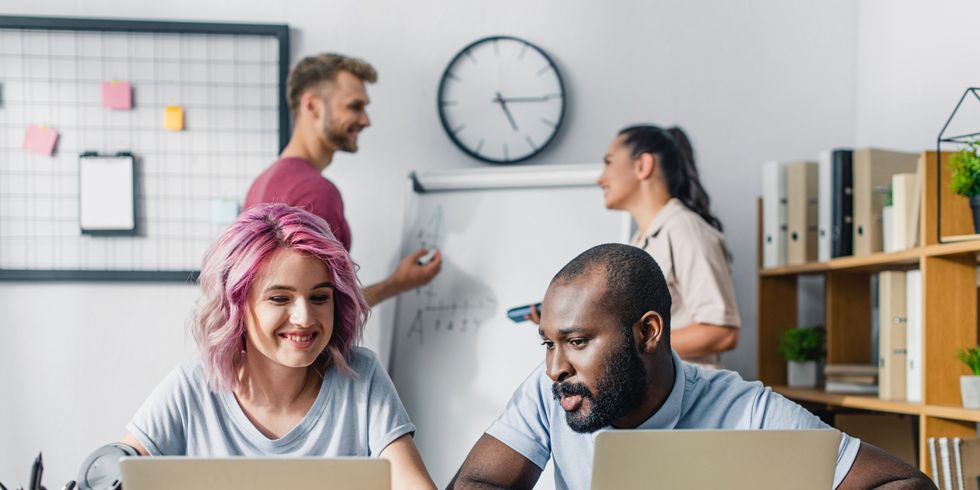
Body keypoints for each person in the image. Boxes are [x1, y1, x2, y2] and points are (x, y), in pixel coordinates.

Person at [451, 244, 931, 490]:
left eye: (576, 341)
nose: (556, 366)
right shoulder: (552, 389)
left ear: (648, 332)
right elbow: (477, 482)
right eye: (548, 343)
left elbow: (901, 484)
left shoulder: (747, 412)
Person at [121, 203, 436, 490]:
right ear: (237, 307)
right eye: (280, 298)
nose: (304, 317)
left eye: (319, 297)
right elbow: (116, 471)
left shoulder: (362, 377)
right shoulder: (190, 388)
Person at [244, 53, 441, 307]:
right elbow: (326, 314)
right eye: (354, 106)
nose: (366, 120)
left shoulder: (262, 183)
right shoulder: (314, 192)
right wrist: (397, 284)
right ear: (312, 106)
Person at [596, 124, 739, 367]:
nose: (600, 179)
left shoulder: (684, 228)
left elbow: (722, 332)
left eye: (609, 162)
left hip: (687, 399)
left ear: (643, 166)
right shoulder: (638, 243)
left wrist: (625, 347)